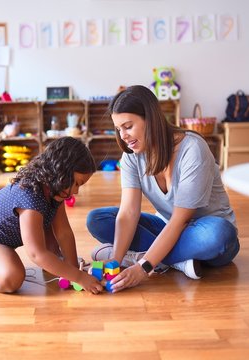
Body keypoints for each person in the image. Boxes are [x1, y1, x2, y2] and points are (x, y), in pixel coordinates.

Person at [86, 85, 239, 293]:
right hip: (168, 229)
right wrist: (116, 260)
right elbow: (129, 212)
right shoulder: (131, 157)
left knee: (218, 234)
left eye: (128, 126)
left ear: (150, 119)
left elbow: (180, 220)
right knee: (97, 219)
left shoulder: (192, 149)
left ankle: (146, 257)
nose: (123, 135)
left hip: (204, 233)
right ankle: (177, 261)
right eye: (118, 129)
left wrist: (142, 268)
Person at [0, 136, 103, 294]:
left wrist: (72, 269)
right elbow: (35, 254)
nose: (76, 191)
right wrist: (79, 277)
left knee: (57, 261)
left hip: (7, 241)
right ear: (60, 171)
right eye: (77, 183)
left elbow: (63, 232)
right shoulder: (29, 197)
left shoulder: (55, 190)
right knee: (12, 278)